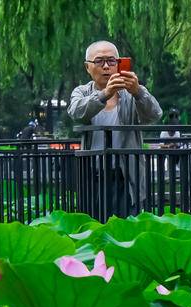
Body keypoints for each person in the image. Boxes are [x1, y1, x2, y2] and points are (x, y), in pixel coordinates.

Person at [68, 40, 162, 216]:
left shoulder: (131, 91)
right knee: (93, 226)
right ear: (87, 67)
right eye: (99, 61)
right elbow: (76, 112)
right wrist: (105, 94)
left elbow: (154, 114)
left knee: (125, 230)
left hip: (125, 175)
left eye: (111, 61)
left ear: (119, 64)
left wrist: (138, 92)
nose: (106, 66)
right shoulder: (81, 92)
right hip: (92, 174)